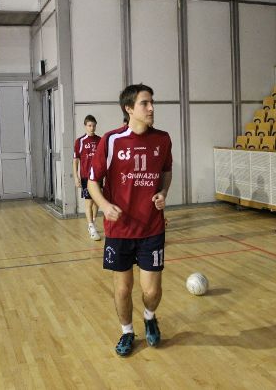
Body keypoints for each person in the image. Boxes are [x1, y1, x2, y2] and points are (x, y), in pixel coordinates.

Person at [87, 83, 172, 357]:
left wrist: (163, 193)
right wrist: (104, 206)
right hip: (119, 230)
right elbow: (92, 182)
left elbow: (166, 171)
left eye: (152, 102)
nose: (151, 108)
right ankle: (126, 332)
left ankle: (149, 316)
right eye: (145, 103)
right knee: (123, 290)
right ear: (129, 108)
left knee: (152, 291)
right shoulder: (111, 140)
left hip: (151, 228)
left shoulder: (163, 139)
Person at [73, 115, 102, 241]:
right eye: (89, 125)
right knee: (89, 202)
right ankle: (91, 227)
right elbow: (75, 160)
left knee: (97, 201)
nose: (92, 128)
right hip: (86, 177)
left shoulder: (100, 140)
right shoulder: (79, 141)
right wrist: (76, 177)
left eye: (94, 125)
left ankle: (93, 222)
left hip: (98, 176)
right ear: (85, 126)